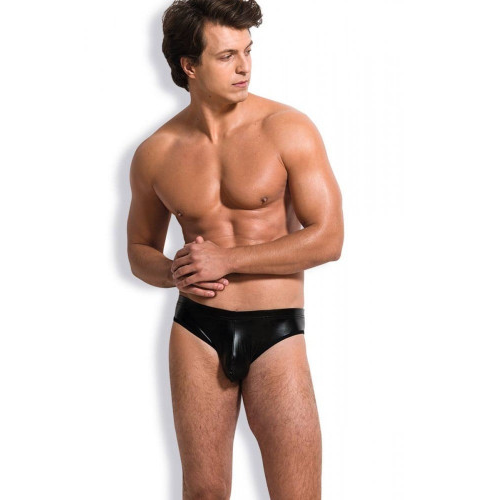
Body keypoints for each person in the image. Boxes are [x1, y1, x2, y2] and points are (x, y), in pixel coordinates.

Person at [127, 0, 344, 498]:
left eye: (248, 51)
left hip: (277, 330)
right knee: (203, 492)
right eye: (227, 56)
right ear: (189, 65)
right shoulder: (156, 153)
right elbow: (139, 249)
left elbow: (329, 237)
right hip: (197, 331)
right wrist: (172, 272)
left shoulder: (287, 128)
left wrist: (229, 259)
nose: (244, 66)